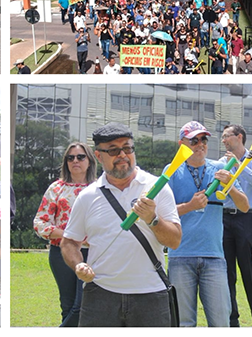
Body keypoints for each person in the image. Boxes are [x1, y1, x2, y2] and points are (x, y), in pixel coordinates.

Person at [61, 123, 182, 327]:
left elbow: (175, 240)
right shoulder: (88, 196)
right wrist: (78, 265)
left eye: (127, 148)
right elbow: (69, 242)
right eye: (114, 150)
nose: (123, 155)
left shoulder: (157, 187)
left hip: (151, 294)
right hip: (100, 294)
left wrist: (153, 219)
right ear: (99, 156)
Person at [168, 121, 249, 327]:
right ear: (181, 144)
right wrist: (189, 206)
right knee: (183, 323)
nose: (200, 144)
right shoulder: (171, 170)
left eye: (203, 139)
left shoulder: (221, 168)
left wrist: (229, 185)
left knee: (221, 322)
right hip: (180, 255)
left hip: (214, 257)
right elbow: (162, 213)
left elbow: (245, 206)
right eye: (194, 140)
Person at [33, 142, 97, 327]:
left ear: (90, 160)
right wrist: (69, 235)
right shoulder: (56, 188)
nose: (75, 161)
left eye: (80, 157)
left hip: (91, 252)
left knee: (82, 304)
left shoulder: (101, 188)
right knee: (68, 305)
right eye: (70, 157)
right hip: (61, 252)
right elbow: (40, 222)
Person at [218, 125, 252, 327]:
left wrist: (240, 165)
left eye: (226, 136)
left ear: (239, 137)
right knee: (226, 273)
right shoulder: (221, 162)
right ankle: (232, 324)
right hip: (224, 219)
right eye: (222, 137)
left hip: (247, 218)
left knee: (250, 270)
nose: (223, 140)